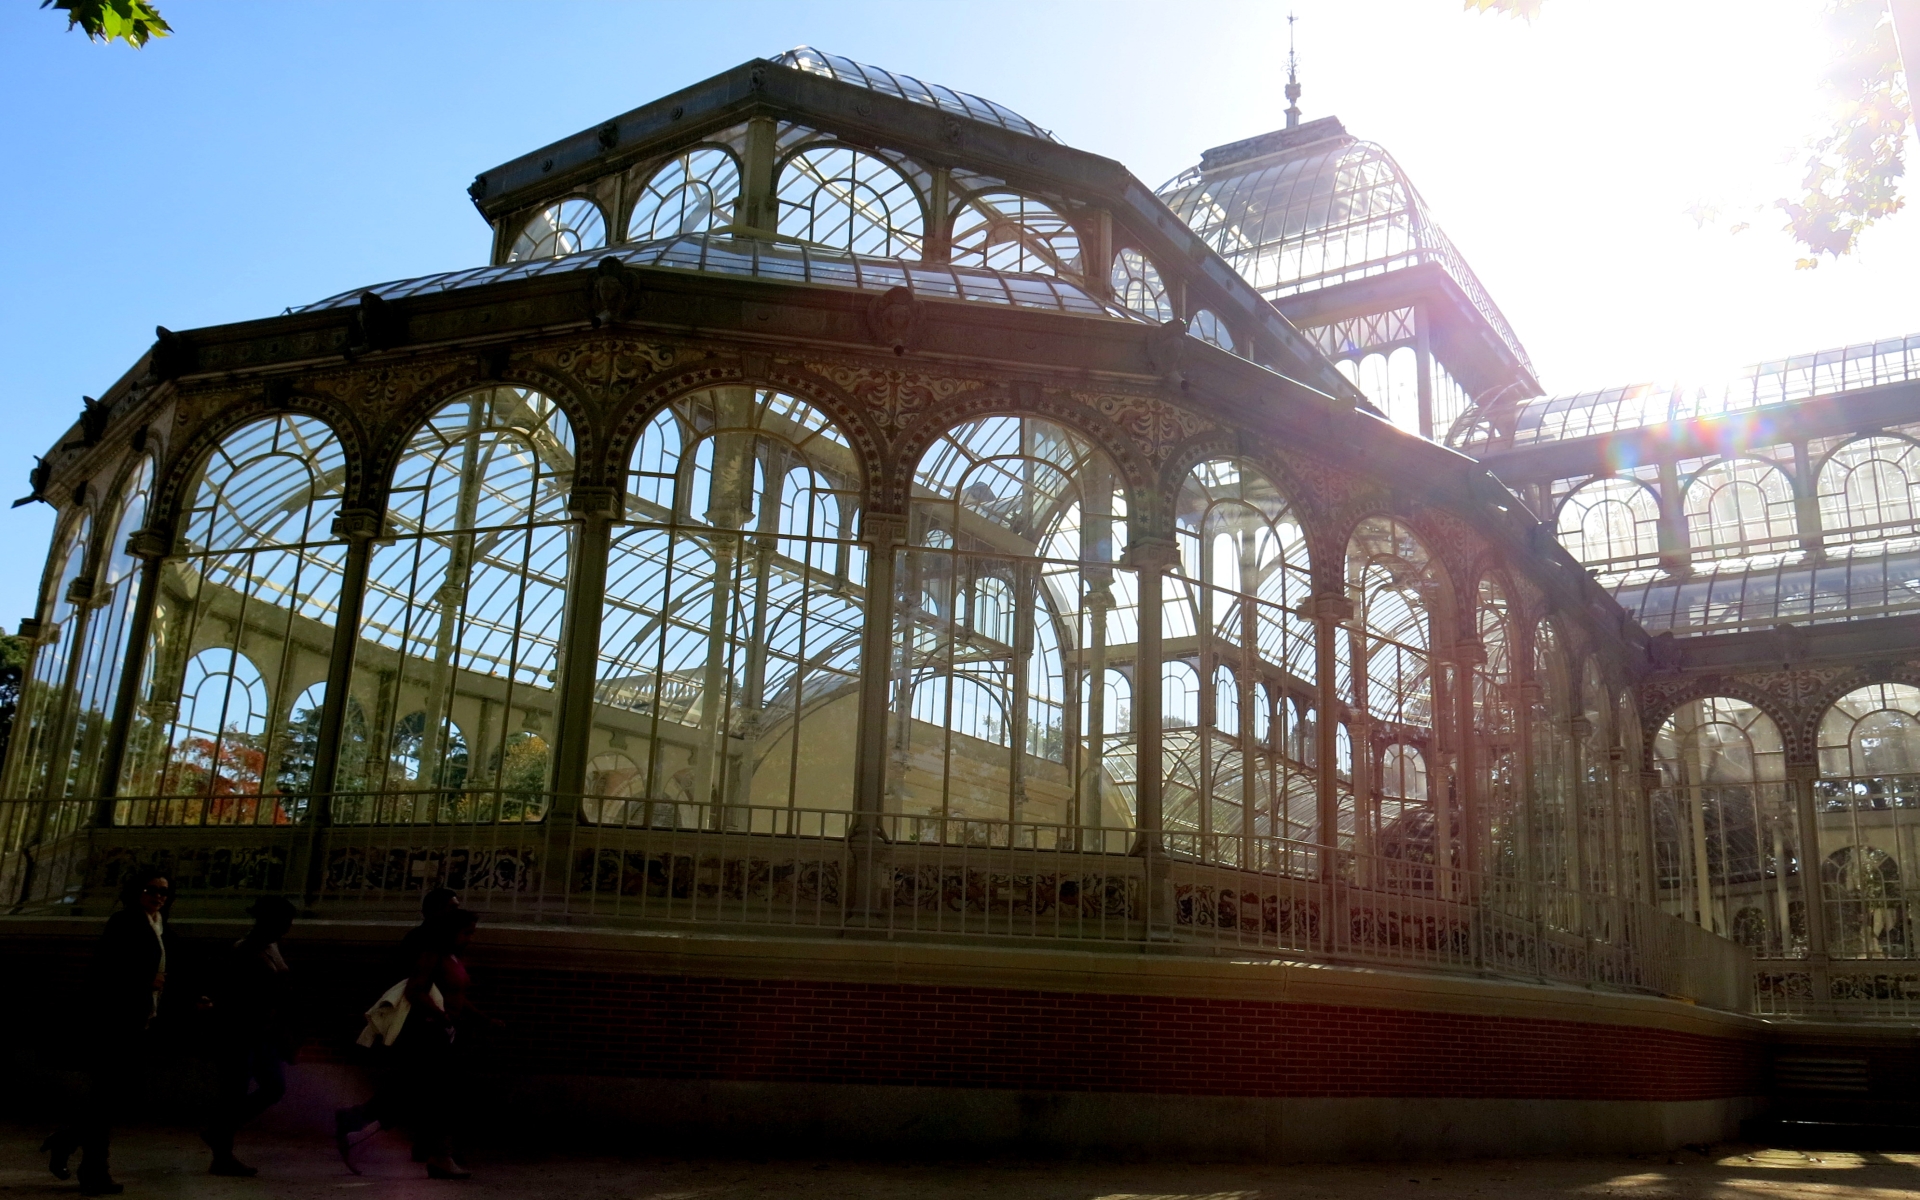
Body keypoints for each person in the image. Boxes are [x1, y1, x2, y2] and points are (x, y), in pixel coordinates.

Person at [42, 870, 180, 1196]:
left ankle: (66, 1141)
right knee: (106, 1098)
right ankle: (94, 1170)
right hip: (114, 1024)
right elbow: (106, 970)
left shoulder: (162, 927)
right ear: (136, 891)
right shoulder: (124, 923)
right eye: (152, 889)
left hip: (142, 1022)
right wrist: (145, 980)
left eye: (164, 891)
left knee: (119, 1098)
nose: (158, 895)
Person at [334, 886, 463, 1172]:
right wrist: (437, 1014)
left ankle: (426, 1145)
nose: (457, 912)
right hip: (422, 1024)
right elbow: (414, 984)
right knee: (418, 1087)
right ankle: (359, 1124)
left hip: (430, 1022)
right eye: (452, 907)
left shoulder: (434, 939)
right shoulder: (425, 941)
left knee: (419, 1087)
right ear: (435, 910)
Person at [200, 896, 298, 1177]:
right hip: (239, 1030)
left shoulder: (269, 945)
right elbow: (233, 994)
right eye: (283, 921)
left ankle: (219, 1132)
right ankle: (222, 1153)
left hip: (262, 1031)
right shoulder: (244, 950)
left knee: (272, 1086)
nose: (288, 927)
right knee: (235, 1091)